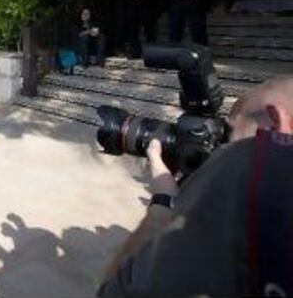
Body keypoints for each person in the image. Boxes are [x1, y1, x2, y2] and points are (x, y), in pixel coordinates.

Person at [99, 76, 293, 296]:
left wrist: (163, 203)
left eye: (228, 134)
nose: (221, 147)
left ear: (278, 123)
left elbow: (115, 293)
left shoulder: (251, 163)